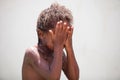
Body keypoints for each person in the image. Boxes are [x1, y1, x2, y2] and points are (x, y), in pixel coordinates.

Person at [22, 3, 79, 80]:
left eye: (64, 34)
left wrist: (69, 48)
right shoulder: (31, 54)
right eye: (58, 33)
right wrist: (58, 45)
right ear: (41, 34)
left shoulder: (59, 54)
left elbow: (74, 78)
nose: (61, 38)